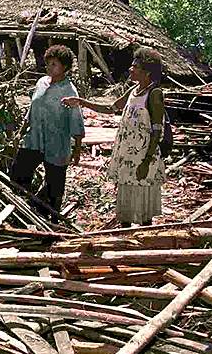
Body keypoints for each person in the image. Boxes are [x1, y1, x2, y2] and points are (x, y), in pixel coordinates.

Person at [62, 47, 166, 227]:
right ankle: (124, 235)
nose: (131, 69)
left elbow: (157, 129)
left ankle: (145, 242)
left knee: (143, 200)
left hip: (143, 156)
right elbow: (111, 108)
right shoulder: (134, 90)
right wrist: (81, 102)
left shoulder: (154, 94)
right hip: (128, 155)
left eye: (135, 67)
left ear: (147, 72)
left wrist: (147, 161)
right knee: (126, 195)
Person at [11, 45, 84, 222]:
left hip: (56, 142)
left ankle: (52, 220)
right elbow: (32, 109)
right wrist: (21, 132)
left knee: (55, 184)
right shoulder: (41, 83)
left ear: (65, 67)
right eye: (48, 63)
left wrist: (77, 148)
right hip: (34, 138)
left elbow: (76, 120)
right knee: (18, 173)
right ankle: (24, 210)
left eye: (54, 64)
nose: (49, 67)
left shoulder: (69, 91)